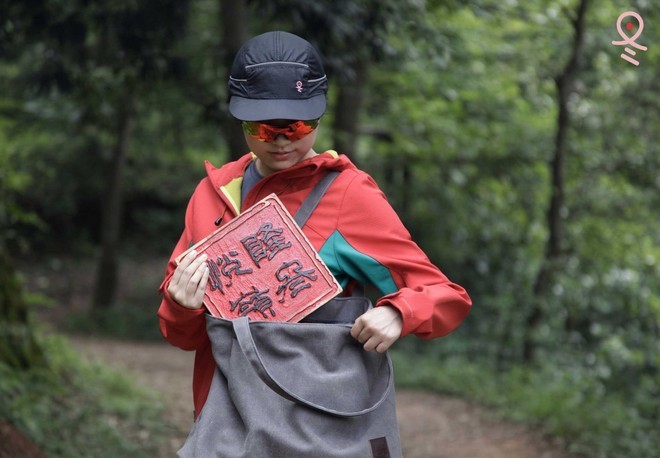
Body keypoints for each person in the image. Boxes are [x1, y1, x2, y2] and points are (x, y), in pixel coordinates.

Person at [158, 30, 472, 426]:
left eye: (298, 127)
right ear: (241, 121)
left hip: (316, 427)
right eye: (263, 128)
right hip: (226, 425)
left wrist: (399, 312)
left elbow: (446, 296)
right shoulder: (213, 194)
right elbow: (183, 337)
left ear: (319, 117)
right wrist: (181, 306)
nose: (281, 141)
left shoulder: (347, 194)